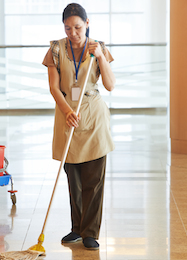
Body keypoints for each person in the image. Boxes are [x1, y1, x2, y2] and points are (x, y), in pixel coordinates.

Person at [42, 3, 115, 250]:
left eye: (77, 27)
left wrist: (102, 57)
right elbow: (54, 87)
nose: (73, 33)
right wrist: (66, 111)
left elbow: (110, 84)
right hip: (67, 115)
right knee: (74, 178)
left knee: (94, 179)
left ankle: (90, 232)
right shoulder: (56, 49)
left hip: (93, 116)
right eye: (68, 28)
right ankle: (77, 228)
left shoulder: (98, 48)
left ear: (87, 23)